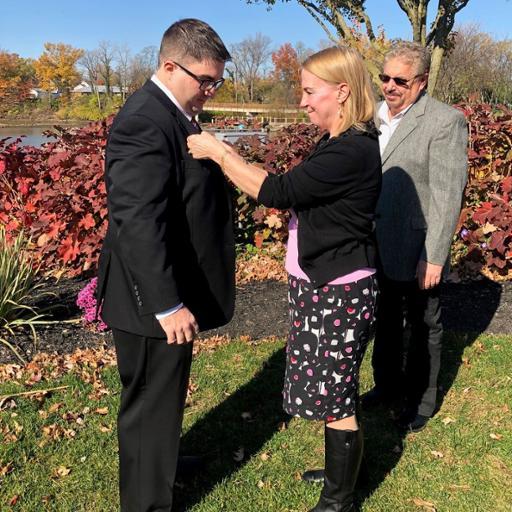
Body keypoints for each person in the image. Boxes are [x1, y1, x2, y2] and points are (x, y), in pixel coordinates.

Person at [188, 46, 381, 512]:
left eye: (310, 91)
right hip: (321, 286)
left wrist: (218, 151)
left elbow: (276, 191)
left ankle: (339, 499)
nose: (302, 101)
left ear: (343, 92)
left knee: (336, 393)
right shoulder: (336, 141)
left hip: (340, 290)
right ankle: (338, 473)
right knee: (326, 385)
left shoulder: (352, 149)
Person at [96, 19, 235, 511]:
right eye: (205, 81)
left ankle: (164, 460)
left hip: (169, 287)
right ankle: (146, 500)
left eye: (217, 82)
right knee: (150, 400)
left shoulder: (175, 111)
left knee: (164, 394)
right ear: (170, 65)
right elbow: (136, 220)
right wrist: (166, 303)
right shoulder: (144, 120)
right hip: (149, 299)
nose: (211, 91)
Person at [363, 41, 468, 433]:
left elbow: (446, 192)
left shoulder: (445, 121)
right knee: (385, 319)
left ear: (421, 82)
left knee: (425, 323)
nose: (390, 86)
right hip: (374, 242)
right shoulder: (370, 116)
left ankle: (422, 401)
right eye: (385, 77)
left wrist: (435, 256)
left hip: (418, 245)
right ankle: (386, 386)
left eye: (400, 80)